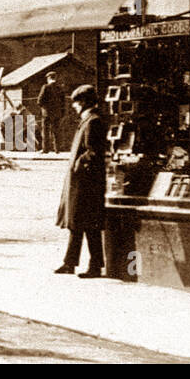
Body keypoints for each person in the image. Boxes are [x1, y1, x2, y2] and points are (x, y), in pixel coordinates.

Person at [55, 84, 107, 277]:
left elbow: (93, 152)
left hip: (86, 182)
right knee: (77, 224)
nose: (74, 106)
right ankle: (70, 263)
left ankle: (94, 266)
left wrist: (78, 164)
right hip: (81, 181)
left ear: (83, 102)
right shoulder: (88, 120)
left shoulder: (93, 121)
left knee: (88, 225)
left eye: (76, 102)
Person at [35, 71, 65, 153]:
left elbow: (39, 101)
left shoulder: (45, 87)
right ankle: (57, 149)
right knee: (56, 132)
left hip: (47, 113)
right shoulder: (60, 88)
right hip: (57, 113)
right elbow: (63, 102)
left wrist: (44, 108)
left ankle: (45, 149)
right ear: (55, 78)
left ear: (48, 78)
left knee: (45, 131)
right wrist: (62, 113)